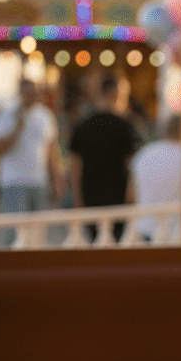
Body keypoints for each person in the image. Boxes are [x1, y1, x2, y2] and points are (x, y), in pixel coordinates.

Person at [68, 75, 141, 241]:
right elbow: (132, 165)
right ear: (115, 95)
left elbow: (74, 164)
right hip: (118, 197)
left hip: (90, 196)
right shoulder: (126, 127)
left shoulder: (82, 125)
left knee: (95, 243)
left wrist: (77, 197)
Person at [0, 79, 65, 215]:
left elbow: (52, 150)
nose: (33, 97)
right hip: (13, 181)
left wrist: (57, 179)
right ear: (20, 93)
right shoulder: (6, 115)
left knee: (36, 231)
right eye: (29, 93)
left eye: (35, 93)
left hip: (38, 181)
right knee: (17, 231)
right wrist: (17, 130)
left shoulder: (45, 115)